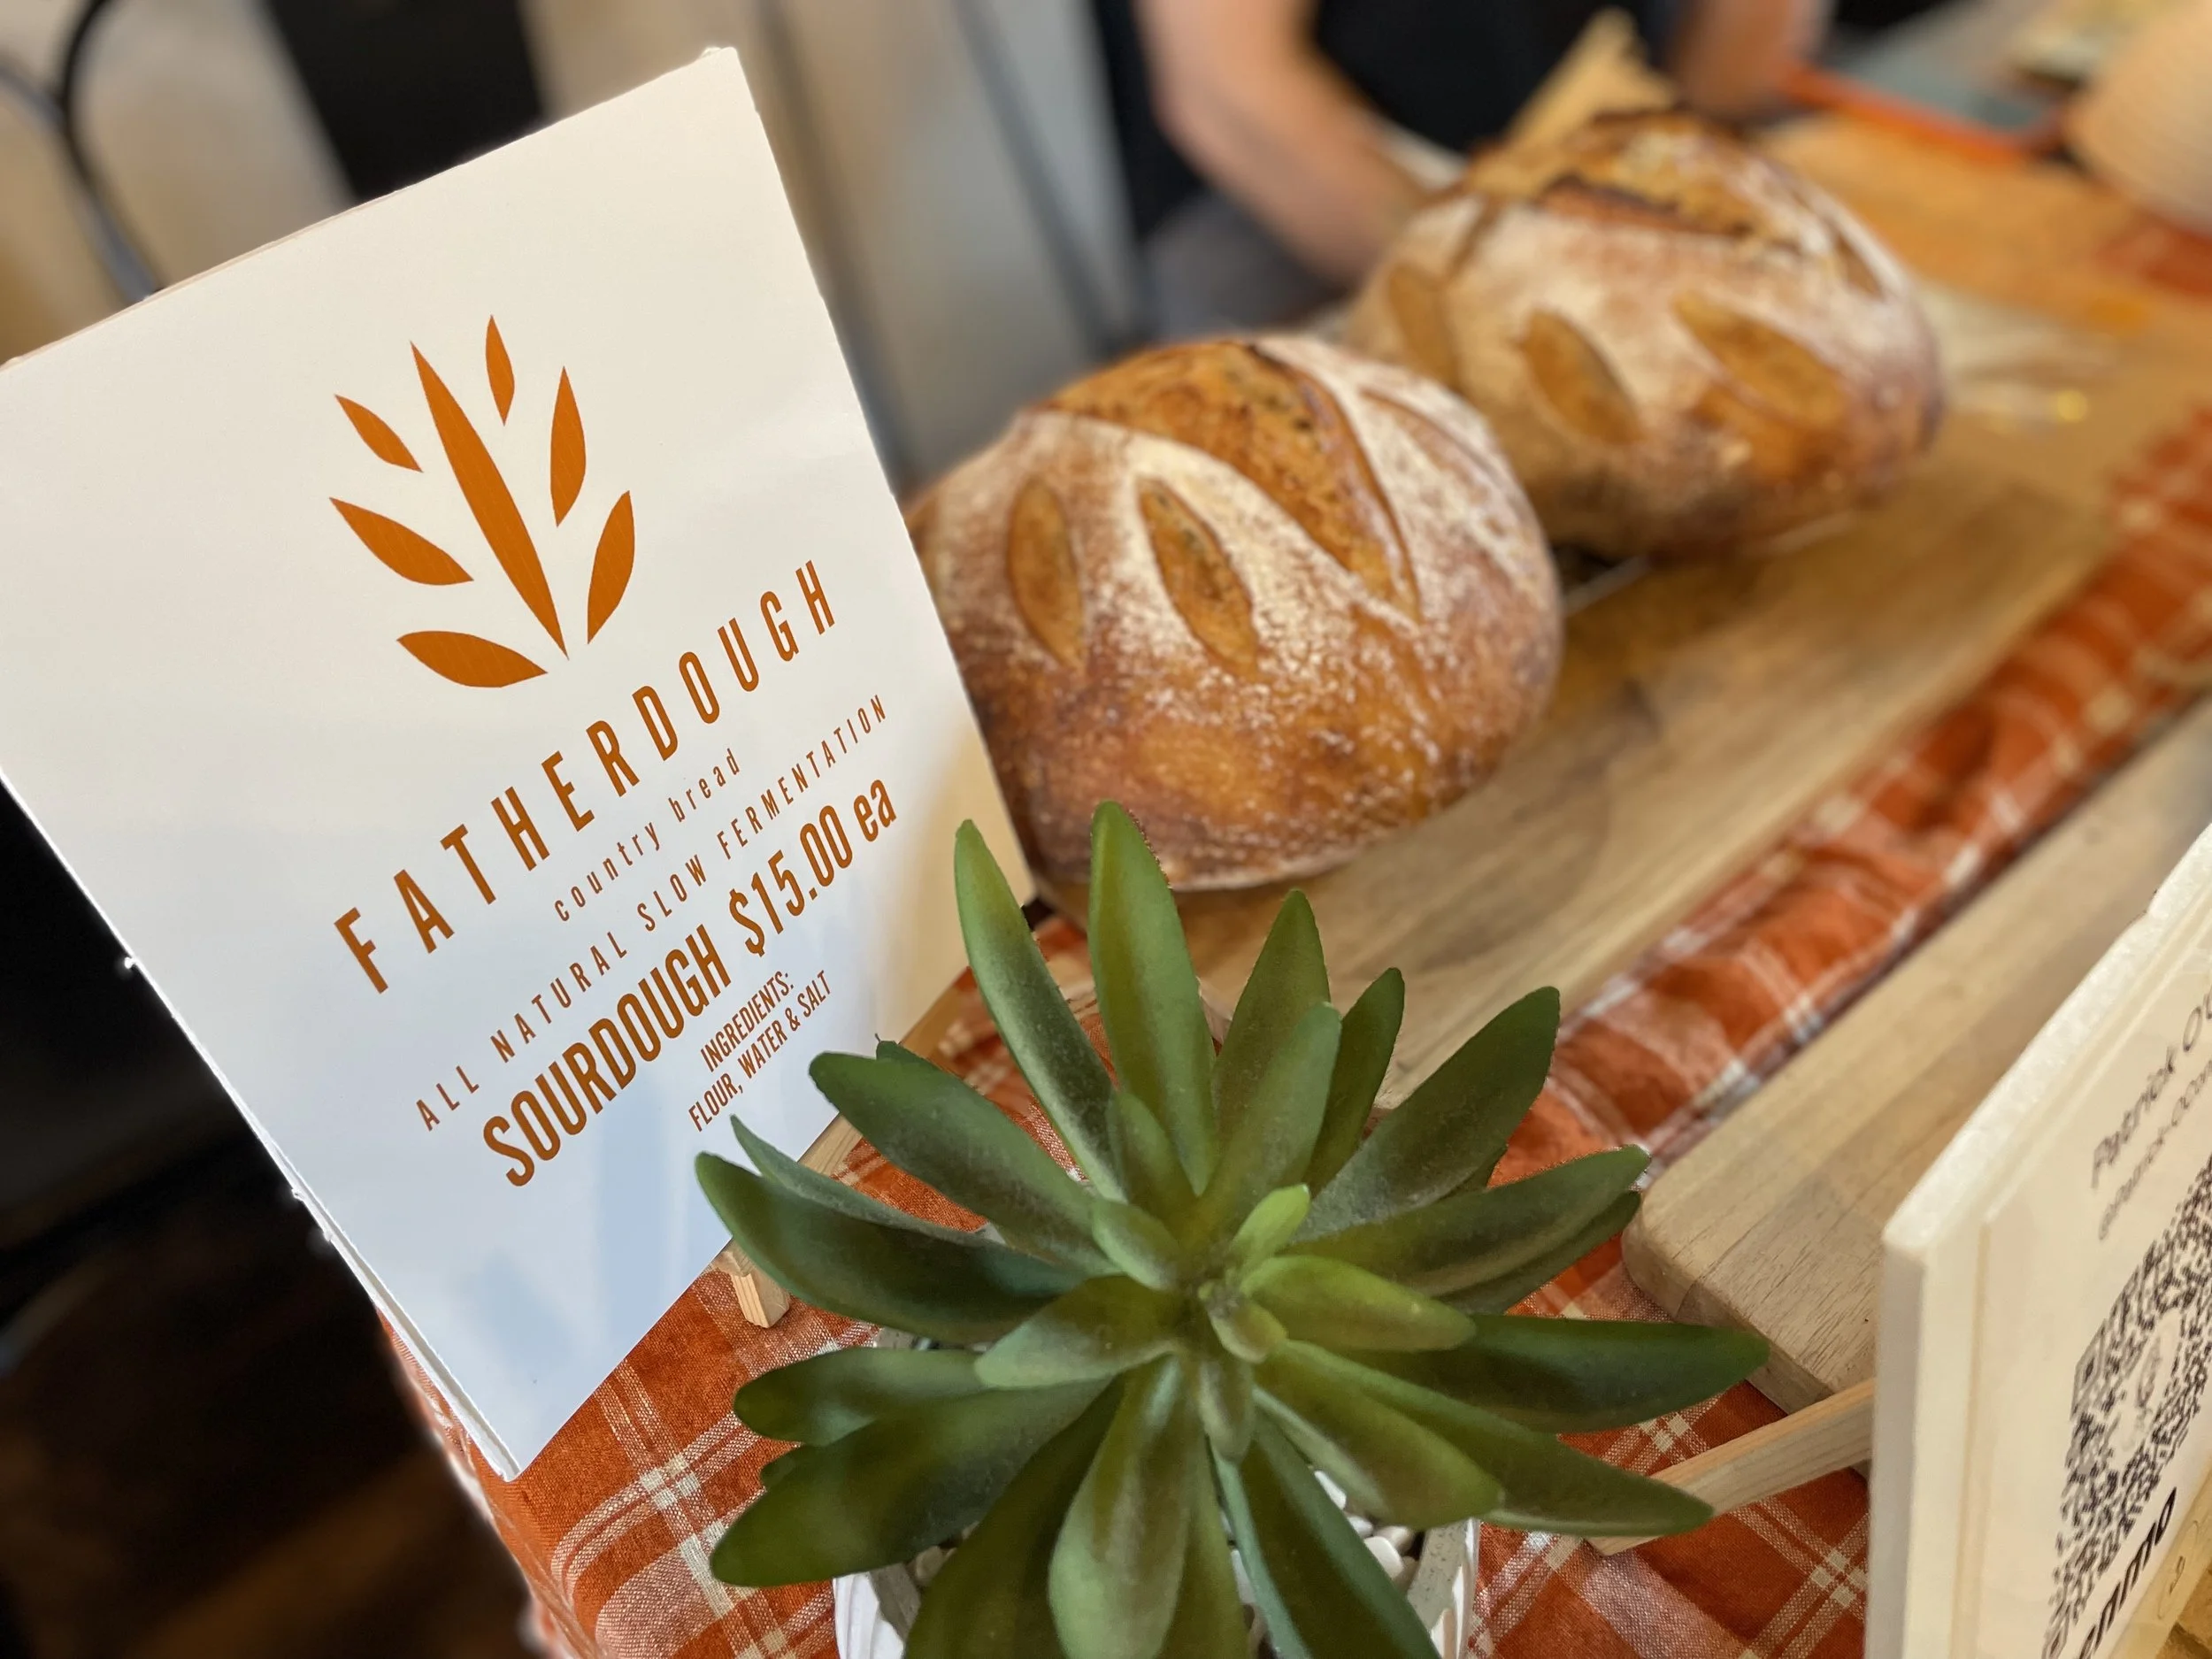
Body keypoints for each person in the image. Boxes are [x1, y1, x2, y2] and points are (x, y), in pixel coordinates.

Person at [1093, 0, 1832, 334]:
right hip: (1297, 197)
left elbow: (1747, 44)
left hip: (1596, 139)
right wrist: (1504, 298)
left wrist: (1687, 187)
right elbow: (1230, 94)